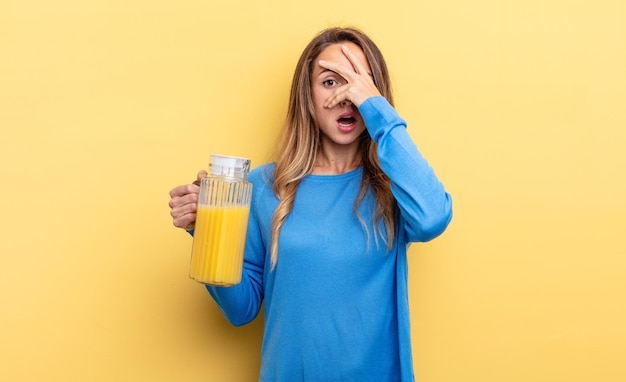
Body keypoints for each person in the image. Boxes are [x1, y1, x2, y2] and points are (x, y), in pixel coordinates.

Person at [168, 26, 453, 381]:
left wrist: (377, 109)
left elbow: (433, 218)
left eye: (358, 80)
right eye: (330, 81)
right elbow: (241, 310)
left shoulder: (393, 188)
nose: (346, 96)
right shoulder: (264, 185)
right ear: (307, 95)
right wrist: (205, 229)